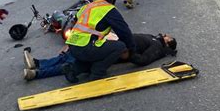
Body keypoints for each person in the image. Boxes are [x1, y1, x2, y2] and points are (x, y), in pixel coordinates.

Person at [61, 0, 136, 83]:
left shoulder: (87, 6)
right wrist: (132, 49)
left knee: (98, 51)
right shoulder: (108, 9)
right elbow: (124, 32)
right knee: (119, 46)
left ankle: (73, 70)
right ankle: (97, 73)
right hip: (85, 47)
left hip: (73, 46)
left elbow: (76, 21)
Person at [22, 33, 177, 81]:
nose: (165, 34)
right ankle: (37, 64)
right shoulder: (152, 37)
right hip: (113, 43)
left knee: (73, 61)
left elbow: (144, 60)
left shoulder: (158, 47)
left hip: (115, 50)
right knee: (71, 56)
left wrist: (127, 54)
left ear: (169, 43)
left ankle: (36, 71)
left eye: (168, 37)